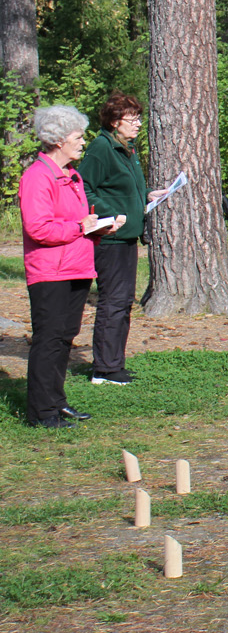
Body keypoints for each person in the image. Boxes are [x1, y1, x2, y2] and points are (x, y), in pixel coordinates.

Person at [20, 105, 120, 427]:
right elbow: (38, 228)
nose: (82, 142)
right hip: (50, 272)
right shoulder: (37, 177)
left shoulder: (73, 176)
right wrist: (80, 227)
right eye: (78, 137)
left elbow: (76, 222)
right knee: (48, 339)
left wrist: (98, 228)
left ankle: (57, 403)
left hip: (77, 268)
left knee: (64, 338)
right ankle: (41, 413)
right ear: (60, 139)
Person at [78, 93, 167, 386]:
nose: (139, 124)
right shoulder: (101, 148)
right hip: (111, 239)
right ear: (115, 122)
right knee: (113, 302)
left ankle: (113, 363)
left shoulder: (127, 148)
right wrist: (110, 215)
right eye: (133, 119)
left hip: (128, 237)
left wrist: (146, 197)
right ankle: (104, 368)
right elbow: (84, 190)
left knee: (123, 302)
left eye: (139, 118)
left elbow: (121, 189)